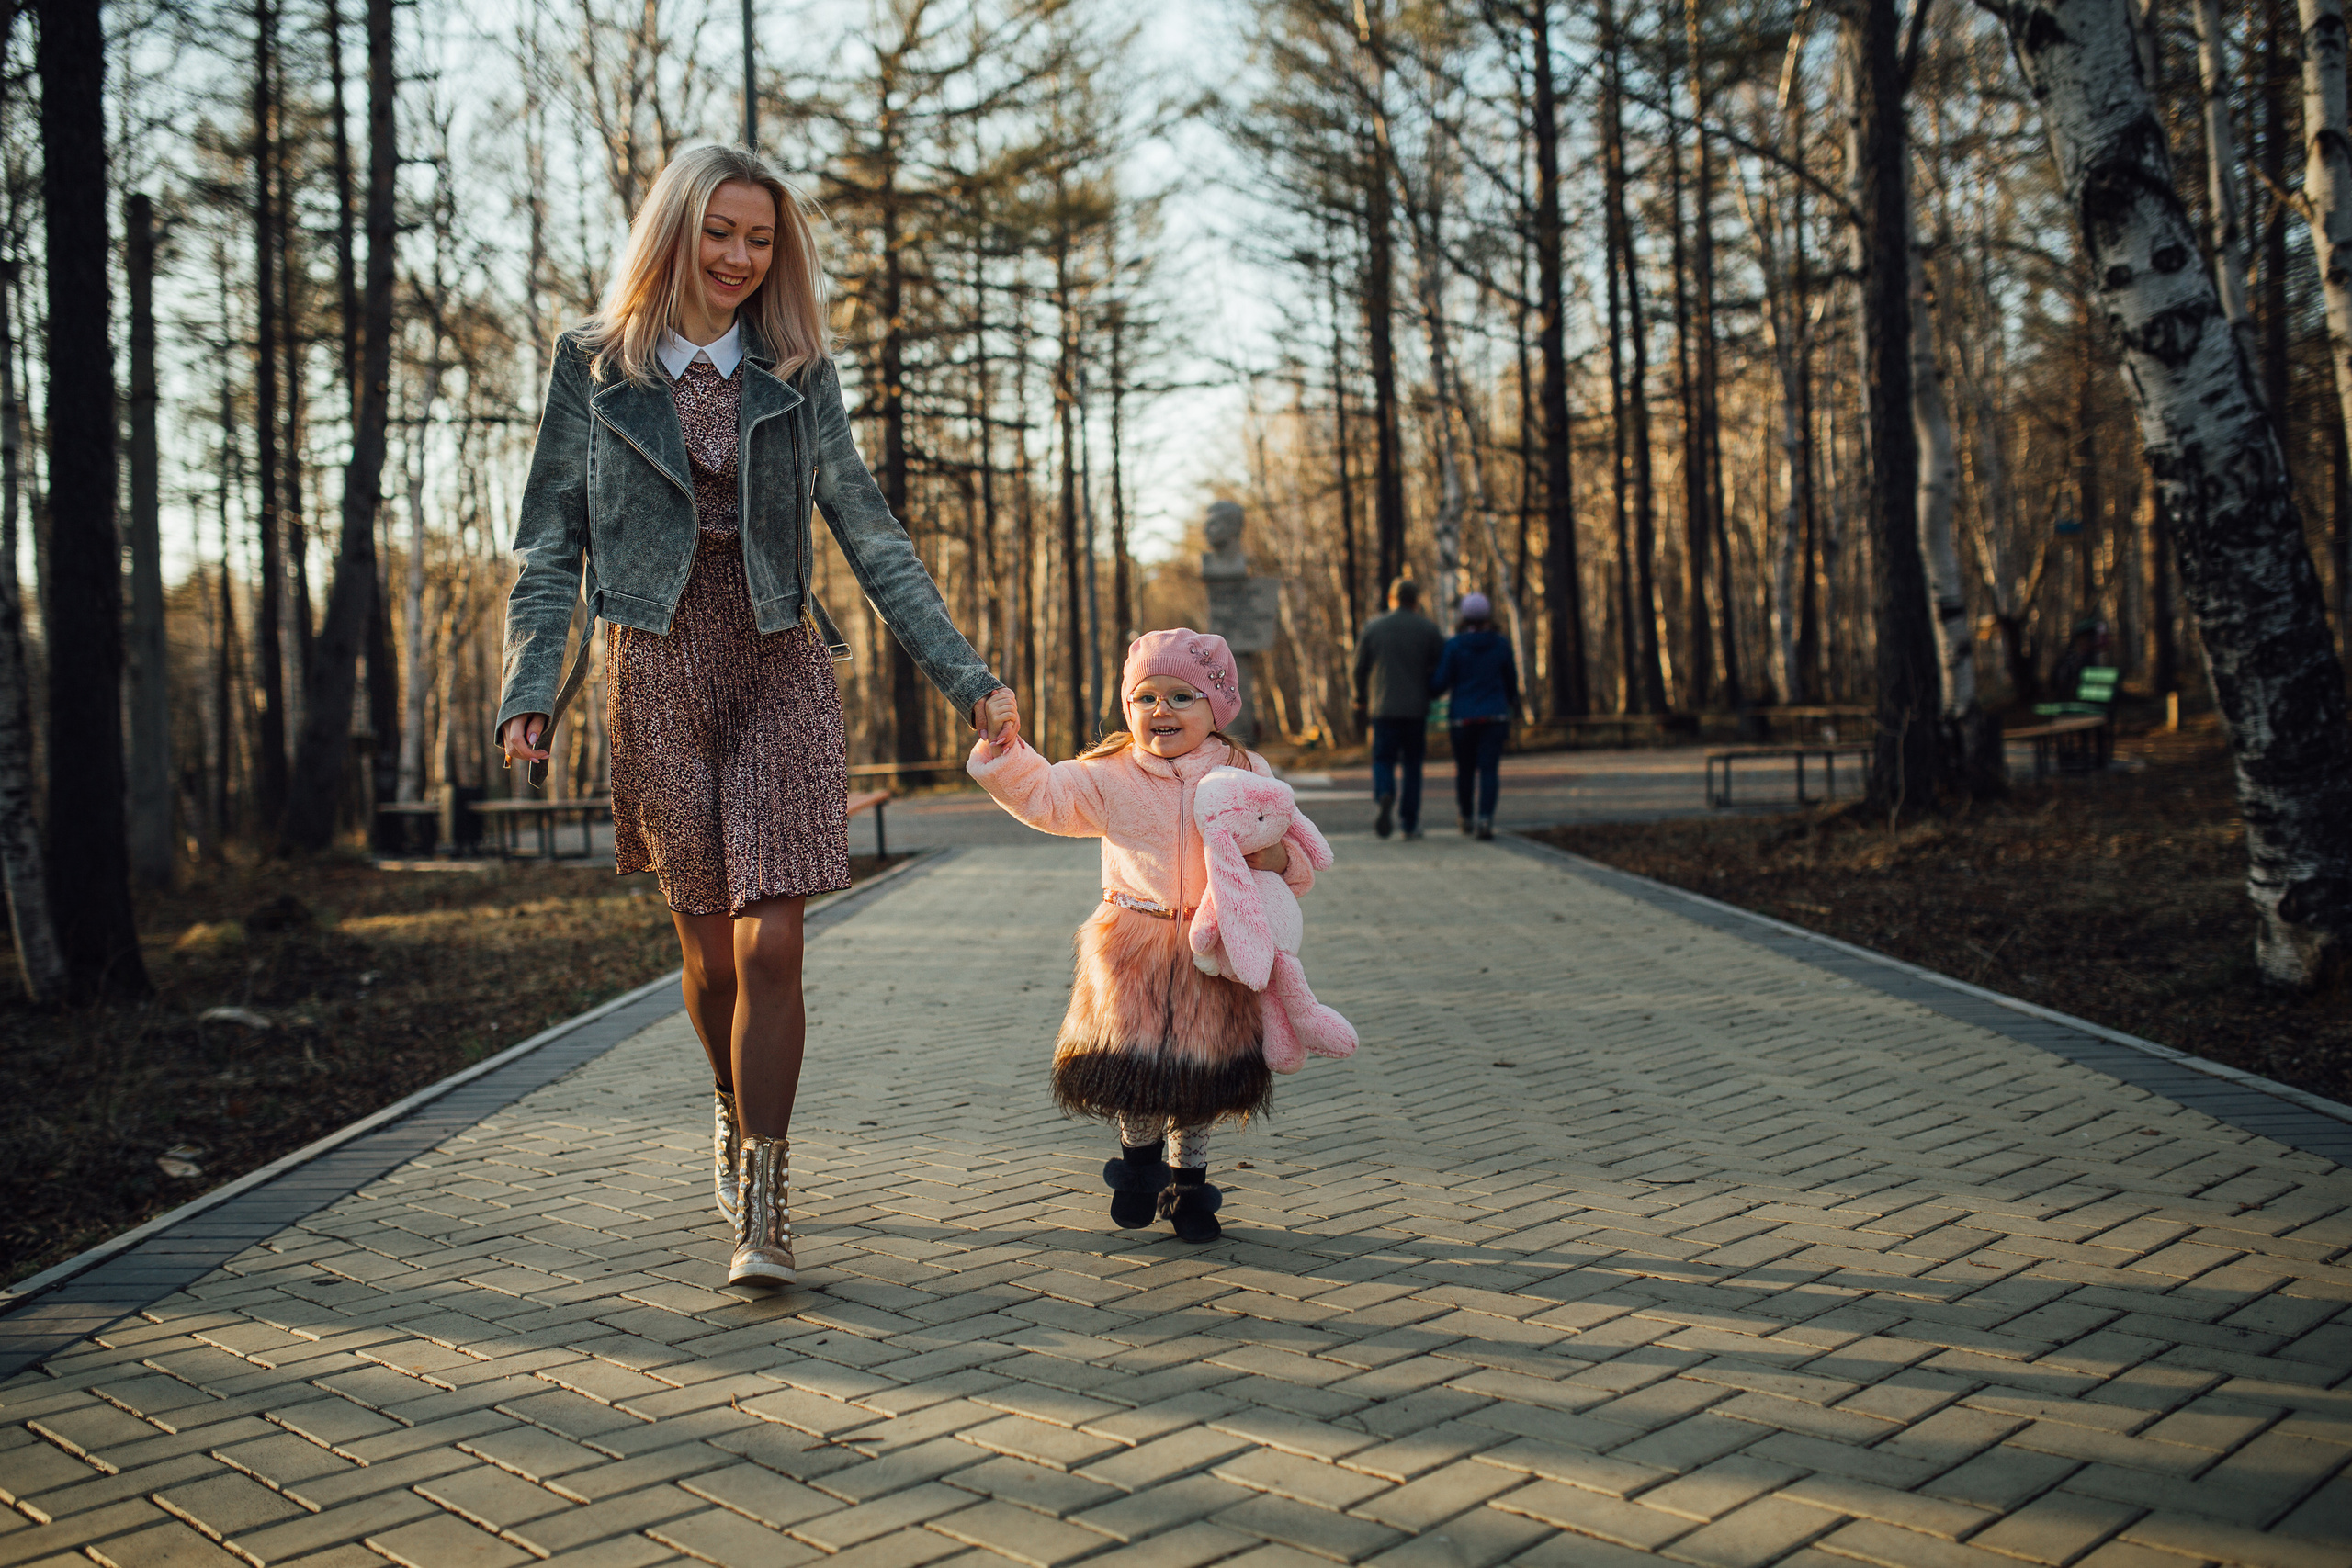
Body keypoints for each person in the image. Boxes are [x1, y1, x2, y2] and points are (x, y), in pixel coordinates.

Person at [495, 145, 1018, 1292]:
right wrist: (531, 687)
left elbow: (869, 531)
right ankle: (732, 1114)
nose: (739, 257)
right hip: (657, 672)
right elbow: (550, 538)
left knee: (773, 938)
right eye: (719, 232)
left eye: (760, 238)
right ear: (674, 234)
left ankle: (767, 1206)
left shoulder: (796, 370)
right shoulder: (594, 366)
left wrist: (968, 678)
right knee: (708, 957)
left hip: (780, 663)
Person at [967, 630, 1321, 1244]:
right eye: (1146, 697)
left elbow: (1293, 845)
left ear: (1217, 706)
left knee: (1201, 1078)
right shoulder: (1110, 773)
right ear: (1128, 706)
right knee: (1137, 1072)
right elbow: (1045, 796)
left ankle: (1189, 1188)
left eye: (1182, 696)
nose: (1162, 710)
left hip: (1214, 950)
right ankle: (1138, 1165)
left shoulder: (1244, 772)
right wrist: (1006, 747)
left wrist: (1278, 860)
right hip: (1133, 945)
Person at [1351, 578, 1445, 840]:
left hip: (1383, 707)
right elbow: (1443, 665)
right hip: (1415, 710)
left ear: (1392, 599)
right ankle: (1410, 823)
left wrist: (1360, 697)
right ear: (1415, 601)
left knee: (1383, 759)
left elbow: (1358, 666)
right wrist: (1433, 690)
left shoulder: (1374, 627)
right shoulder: (1427, 629)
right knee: (1413, 765)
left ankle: (1384, 793)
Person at [1431, 592, 1519, 840]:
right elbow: (1511, 680)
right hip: (1494, 716)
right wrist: (1510, 702)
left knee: (1465, 770)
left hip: (1463, 718)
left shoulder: (1455, 646)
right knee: (1489, 770)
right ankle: (1485, 818)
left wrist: (1427, 684)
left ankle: (1466, 816)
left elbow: (1440, 683)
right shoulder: (1500, 644)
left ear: (1463, 617)